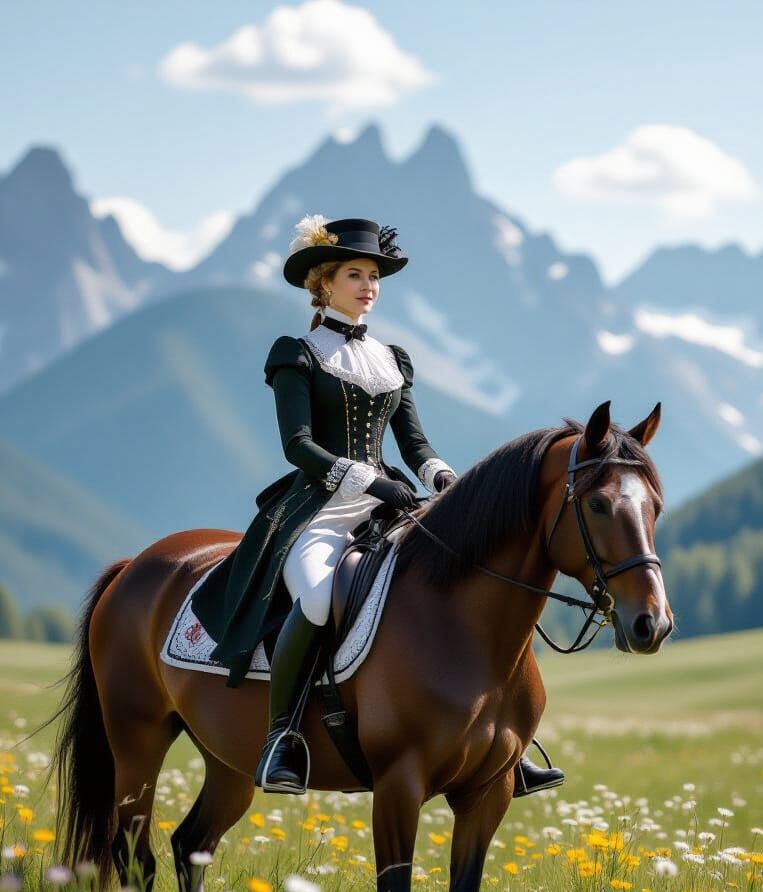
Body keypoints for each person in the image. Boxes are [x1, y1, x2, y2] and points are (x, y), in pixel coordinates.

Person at [202, 215, 564, 797]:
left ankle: (504, 740)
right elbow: (298, 446)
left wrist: (443, 476)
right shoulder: (297, 353)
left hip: (388, 504)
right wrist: (367, 480)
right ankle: (282, 738)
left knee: (461, 584)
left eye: (374, 276)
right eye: (355, 274)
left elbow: (414, 443)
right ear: (323, 282)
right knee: (319, 599)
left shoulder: (391, 357)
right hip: (318, 508)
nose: (369, 285)